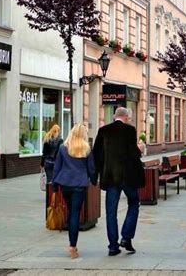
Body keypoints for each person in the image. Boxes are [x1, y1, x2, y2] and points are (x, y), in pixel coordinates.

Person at [93, 107, 145, 256]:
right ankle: (126, 237)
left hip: (110, 178)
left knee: (111, 212)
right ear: (126, 117)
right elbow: (133, 154)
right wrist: (140, 148)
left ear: (114, 116)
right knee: (134, 203)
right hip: (128, 177)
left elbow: (96, 155)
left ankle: (113, 246)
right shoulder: (130, 130)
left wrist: (95, 176)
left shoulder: (103, 131)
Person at [52, 124, 96, 259]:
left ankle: (72, 244)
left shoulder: (63, 148)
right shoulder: (86, 149)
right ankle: (72, 246)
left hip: (65, 184)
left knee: (71, 211)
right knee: (75, 213)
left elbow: (57, 167)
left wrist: (54, 184)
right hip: (79, 185)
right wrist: (94, 180)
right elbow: (91, 168)